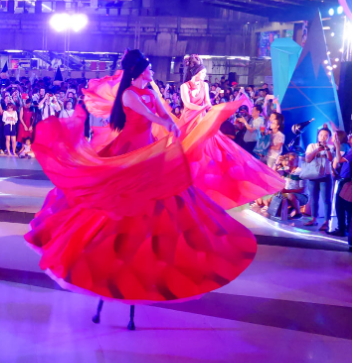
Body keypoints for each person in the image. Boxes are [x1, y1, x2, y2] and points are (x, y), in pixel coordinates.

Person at [25, 49, 257, 311]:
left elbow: (164, 115)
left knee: (163, 201)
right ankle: (105, 254)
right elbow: (152, 117)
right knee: (116, 204)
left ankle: (153, 256)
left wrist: (172, 124)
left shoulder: (149, 92)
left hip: (148, 149)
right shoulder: (129, 94)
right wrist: (164, 121)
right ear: (139, 70)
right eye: (148, 67)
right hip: (129, 151)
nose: (152, 71)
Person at [176, 55, 282, 210]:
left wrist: (219, 110)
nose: (205, 76)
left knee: (207, 153)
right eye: (203, 73)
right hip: (187, 121)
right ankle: (184, 187)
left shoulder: (204, 86)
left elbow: (208, 103)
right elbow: (188, 104)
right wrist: (203, 109)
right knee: (184, 154)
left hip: (202, 121)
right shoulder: (185, 86)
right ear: (196, 73)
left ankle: (203, 189)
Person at [330, 129, 352, 237]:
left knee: (341, 205)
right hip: (345, 179)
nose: (349, 137)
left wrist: (337, 146)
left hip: (346, 181)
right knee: (344, 206)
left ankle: (343, 229)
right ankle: (346, 229)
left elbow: (339, 159)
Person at [302, 126, 335, 230]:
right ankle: (313, 219)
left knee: (326, 199)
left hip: (326, 176)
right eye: (321, 135)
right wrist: (317, 150)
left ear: (329, 137)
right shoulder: (311, 146)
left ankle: (326, 221)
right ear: (318, 136)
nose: (323, 137)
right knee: (313, 198)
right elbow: (307, 159)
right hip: (313, 175)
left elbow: (330, 159)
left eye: (326, 136)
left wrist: (326, 149)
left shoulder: (330, 147)